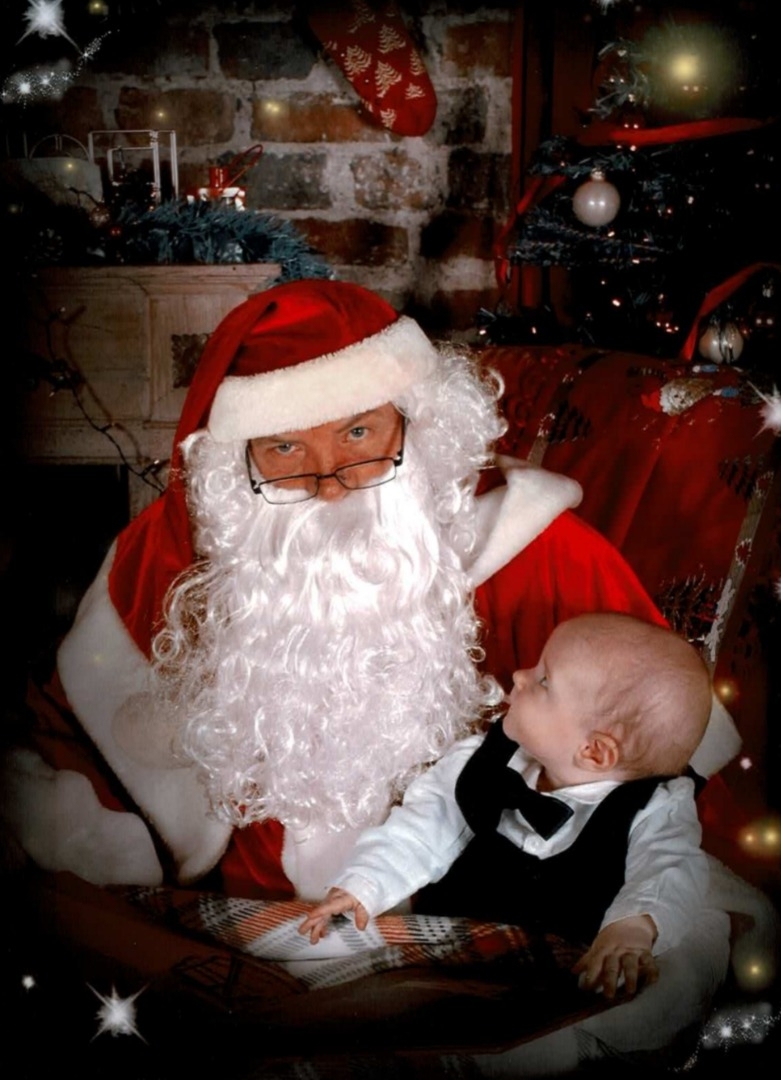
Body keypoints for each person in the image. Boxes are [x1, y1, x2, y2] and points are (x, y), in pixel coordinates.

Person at [1, 278, 769, 1072]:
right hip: (260, 915)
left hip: (477, 916)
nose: (330, 480)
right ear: (237, 462)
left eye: (359, 433)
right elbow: (71, 749)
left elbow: (658, 747)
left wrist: (632, 919)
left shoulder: (541, 551)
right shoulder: (171, 563)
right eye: (285, 449)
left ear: (415, 423)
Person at [300, 613, 712, 1005]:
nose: (519, 675)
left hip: (562, 963)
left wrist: (632, 929)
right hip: (448, 939)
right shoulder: (483, 761)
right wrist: (365, 883)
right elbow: (422, 825)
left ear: (594, 751)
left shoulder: (656, 807)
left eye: (544, 680)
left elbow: (668, 868)